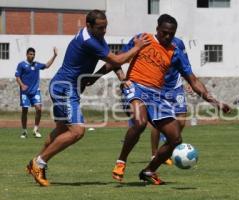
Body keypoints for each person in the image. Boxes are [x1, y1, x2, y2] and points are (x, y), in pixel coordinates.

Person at [26, 9, 150, 187]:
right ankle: (39, 162)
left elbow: (111, 62)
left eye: (105, 27)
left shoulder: (96, 37)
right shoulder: (89, 41)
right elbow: (117, 59)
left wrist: (99, 77)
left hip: (65, 87)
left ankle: (36, 164)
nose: (104, 31)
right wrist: (137, 47)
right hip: (65, 89)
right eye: (100, 28)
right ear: (89, 25)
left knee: (60, 131)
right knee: (77, 131)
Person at [112, 14, 231, 185]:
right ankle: (121, 161)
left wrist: (215, 102)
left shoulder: (176, 52)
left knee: (176, 138)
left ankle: (149, 171)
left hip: (157, 94)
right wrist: (114, 78)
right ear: (157, 29)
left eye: (171, 34)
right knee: (140, 122)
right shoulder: (142, 39)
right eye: (164, 32)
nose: (167, 36)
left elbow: (193, 81)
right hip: (136, 86)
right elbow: (116, 60)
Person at [150, 37, 191, 166]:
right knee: (157, 123)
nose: (167, 35)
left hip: (176, 87)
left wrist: (189, 80)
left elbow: (185, 62)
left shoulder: (179, 42)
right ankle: (154, 154)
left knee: (182, 122)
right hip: (158, 86)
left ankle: (167, 149)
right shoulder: (153, 43)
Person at [15, 47, 57, 139]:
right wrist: (22, 85)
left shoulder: (37, 65)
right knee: (24, 110)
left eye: (33, 54)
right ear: (27, 55)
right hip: (25, 92)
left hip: (35, 91)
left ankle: (35, 129)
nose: (32, 56)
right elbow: (17, 77)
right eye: (30, 54)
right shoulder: (21, 65)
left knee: (38, 109)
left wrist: (54, 55)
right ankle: (24, 131)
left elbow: (47, 65)